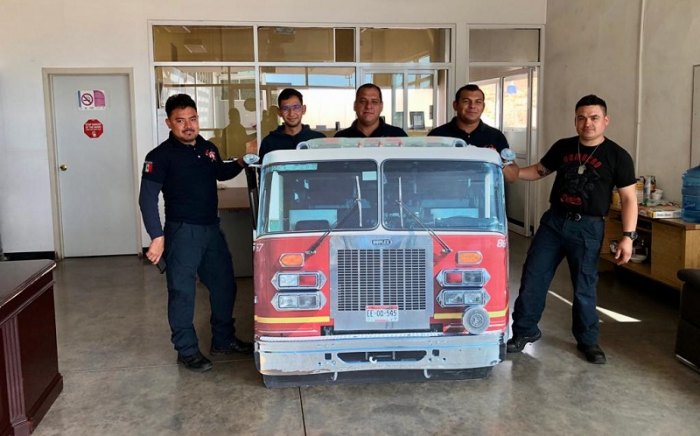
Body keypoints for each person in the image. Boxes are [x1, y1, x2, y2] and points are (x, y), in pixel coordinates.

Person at [507, 94, 638, 364]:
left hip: (588, 227)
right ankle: (524, 331)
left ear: (605, 120)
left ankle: (588, 341)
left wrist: (628, 237)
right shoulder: (563, 147)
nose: (587, 123)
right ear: (575, 121)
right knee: (533, 276)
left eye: (594, 118)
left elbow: (628, 199)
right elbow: (539, 171)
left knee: (584, 286)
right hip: (554, 222)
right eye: (582, 118)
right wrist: (512, 172)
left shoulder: (618, 156)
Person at [139, 93, 253, 373]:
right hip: (182, 232)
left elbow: (220, 172)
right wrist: (156, 236)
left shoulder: (207, 148)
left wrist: (241, 161)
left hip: (211, 229)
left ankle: (223, 339)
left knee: (225, 285)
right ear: (169, 123)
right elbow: (147, 199)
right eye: (180, 121)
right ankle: (187, 350)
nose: (188, 125)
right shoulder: (159, 156)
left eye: (192, 119)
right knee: (182, 292)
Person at [428, 84, 519, 182]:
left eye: (478, 102)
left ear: (483, 107)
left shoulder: (495, 136)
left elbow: (512, 177)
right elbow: (424, 172)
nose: (472, 106)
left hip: (485, 191)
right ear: (455, 105)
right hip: (446, 190)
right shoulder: (437, 135)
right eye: (466, 101)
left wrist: (495, 158)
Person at [258, 88, 326, 163]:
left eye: (296, 107)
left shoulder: (319, 140)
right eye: (285, 108)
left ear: (303, 109)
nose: (291, 113)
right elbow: (263, 169)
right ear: (279, 112)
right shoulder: (269, 142)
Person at [335, 84, 407, 138]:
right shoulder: (340, 138)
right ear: (355, 105)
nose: (368, 106)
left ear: (381, 106)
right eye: (363, 101)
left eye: (374, 101)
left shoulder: (399, 135)